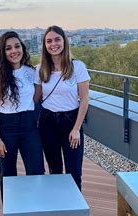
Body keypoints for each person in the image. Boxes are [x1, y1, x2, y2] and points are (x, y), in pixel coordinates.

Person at [0, 31, 44, 199]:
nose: (14, 51)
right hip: (6, 128)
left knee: (37, 171)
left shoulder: (31, 72)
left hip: (29, 127)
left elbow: (36, 97)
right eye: (8, 48)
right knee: (8, 175)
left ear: (22, 49)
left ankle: (37, 209)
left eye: (17, 46)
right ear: (2, 53)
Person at [34, 25, 90, 191]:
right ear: (44, 45)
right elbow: (36, 98)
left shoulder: (77, 67)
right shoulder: (40, 69)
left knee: (74, 171)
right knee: (55, 169)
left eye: (57, 39)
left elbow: (85, 99)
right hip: (47, 122)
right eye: (49, 41)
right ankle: (59, 206)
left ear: (64, 41)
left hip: (70, 121)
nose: (53, 44)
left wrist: (76, 129)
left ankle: (75, 212)